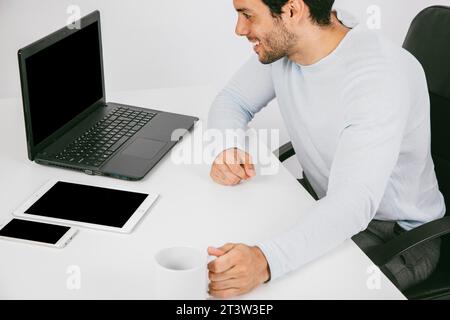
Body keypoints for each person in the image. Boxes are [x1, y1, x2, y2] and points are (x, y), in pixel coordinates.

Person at [206, 0, 446, 298]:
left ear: (293, 11)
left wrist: (265, 261)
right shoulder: (287, 46)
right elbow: (233, 100)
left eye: (247, 15)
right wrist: (227, 147)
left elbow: (352, 204)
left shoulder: (378, 78)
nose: (239, 29)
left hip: (396, 236)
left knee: (289, 292)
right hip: (326, 203)